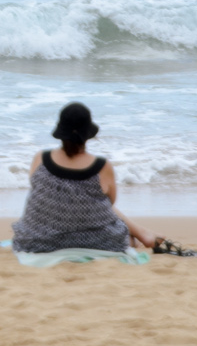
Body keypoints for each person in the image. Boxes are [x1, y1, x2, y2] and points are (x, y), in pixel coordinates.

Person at [10, 103, 165, 254]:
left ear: (61, 131)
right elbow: (110, 203)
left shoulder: (41, 158)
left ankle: (143, 234)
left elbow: (38, 191)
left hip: (37, 241)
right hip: (92, 241)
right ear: (87, 134)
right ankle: (143, 235)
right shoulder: (101, 166)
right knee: (122, 234)